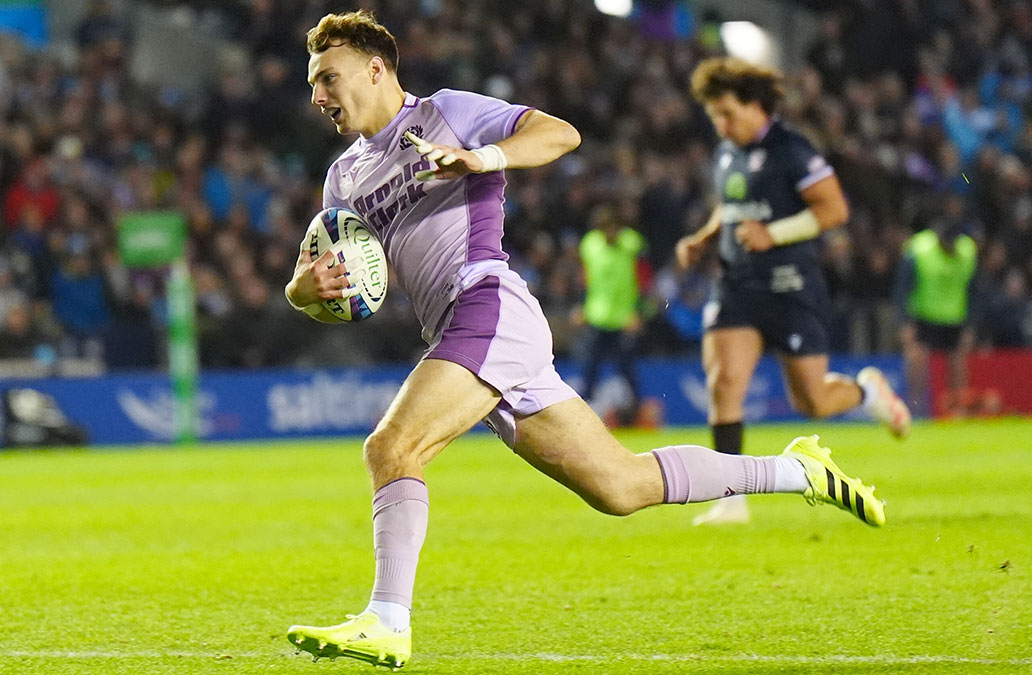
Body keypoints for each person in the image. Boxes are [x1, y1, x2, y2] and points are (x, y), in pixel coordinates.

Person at [283, 14, 887, 670]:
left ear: (376, 69)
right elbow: (326, 290)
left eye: (327, 76)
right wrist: (306, 289)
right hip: (465, 332)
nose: (318, 94)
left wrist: (483, 156)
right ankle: (799, 469)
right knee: (620, 486)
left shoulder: (447, 114)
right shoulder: (343, 181)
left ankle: (387, 619)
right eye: (313, 81)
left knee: (392, 447)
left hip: (487, 305)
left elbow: (557, 133)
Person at [675, 57, 911, 527]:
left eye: (727, 114)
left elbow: (834, 210)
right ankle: (730, 499)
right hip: (737, 282)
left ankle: (866, 391)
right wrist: (704, 236)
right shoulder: (727, 153)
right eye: (715, 117)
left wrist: (774, 234)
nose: (721, 126)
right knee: (724, 384)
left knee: (813, 403)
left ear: (756, 106)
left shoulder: (794, 149)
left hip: (791, 284)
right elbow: (733, 205)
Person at [895, 197, 979, 417]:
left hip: (955, 317)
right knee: (916, 359)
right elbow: (902, 288)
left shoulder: (967, 250)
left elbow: (975, 290)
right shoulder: (919, 248)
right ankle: (914, 408)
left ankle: (957, 409)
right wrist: (904, 322)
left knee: (958, 363)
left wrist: (971, 325)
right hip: (923, 315)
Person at [576, 204, 646, 420]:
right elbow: (586, 278)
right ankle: (582, 417)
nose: (608, 233)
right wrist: (582, 306)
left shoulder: (631, 243)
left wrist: (639, 311)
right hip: (597, 316)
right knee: (590, 370)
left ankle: (636, 415)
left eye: (611, 228)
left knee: (628, 371)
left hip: (624, 318)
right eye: (603, 229)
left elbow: (642, 277)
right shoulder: (590, 245)